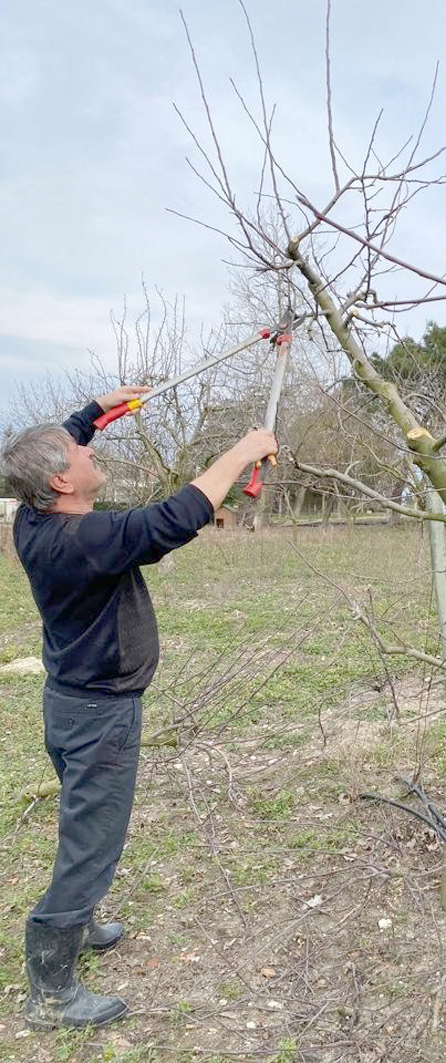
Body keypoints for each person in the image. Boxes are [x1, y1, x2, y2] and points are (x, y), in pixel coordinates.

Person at [1, 386, 277, 1029]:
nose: (89, 451)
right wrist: (243, 450)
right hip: (98, 716)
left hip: (71, 704)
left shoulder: (33, 515)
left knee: (82, 825)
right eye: (80, 449)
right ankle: (51, 992)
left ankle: (84, 921)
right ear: (62, 479)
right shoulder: (83, 540)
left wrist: (96, 412)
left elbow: (63, 441)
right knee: (91, 845)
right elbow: (173, 519)